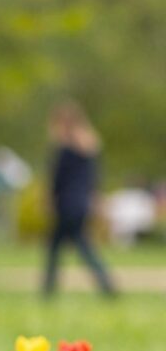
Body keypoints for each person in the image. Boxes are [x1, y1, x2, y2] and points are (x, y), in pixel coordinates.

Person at [42, 101, 116, 297]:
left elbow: (57, 179)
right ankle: (106, 285)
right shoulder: (89, 148)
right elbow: (94, 179)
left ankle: (48, 290)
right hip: (81, 203)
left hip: (66, 203)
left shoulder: (65, 149)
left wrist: (49, 200)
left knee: (60, 246)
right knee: (79, 245)